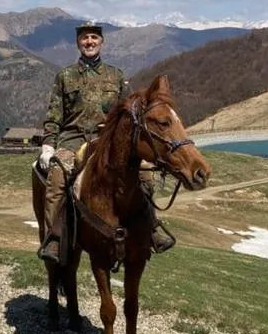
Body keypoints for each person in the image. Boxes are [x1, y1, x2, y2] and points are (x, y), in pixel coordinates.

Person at [36, 21, 176, 264]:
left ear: (101, 42)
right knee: (58, 176)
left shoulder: (117, 76)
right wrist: (49, 145)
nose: (89, 42)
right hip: (74, 138)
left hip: (109, 141)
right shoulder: (64, 76)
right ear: (78, 43)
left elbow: (130, 115)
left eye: (94, 38)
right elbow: (54, 115)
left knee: (145, 175)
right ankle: (55, 238)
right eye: (84, 38)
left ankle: (151, 229)